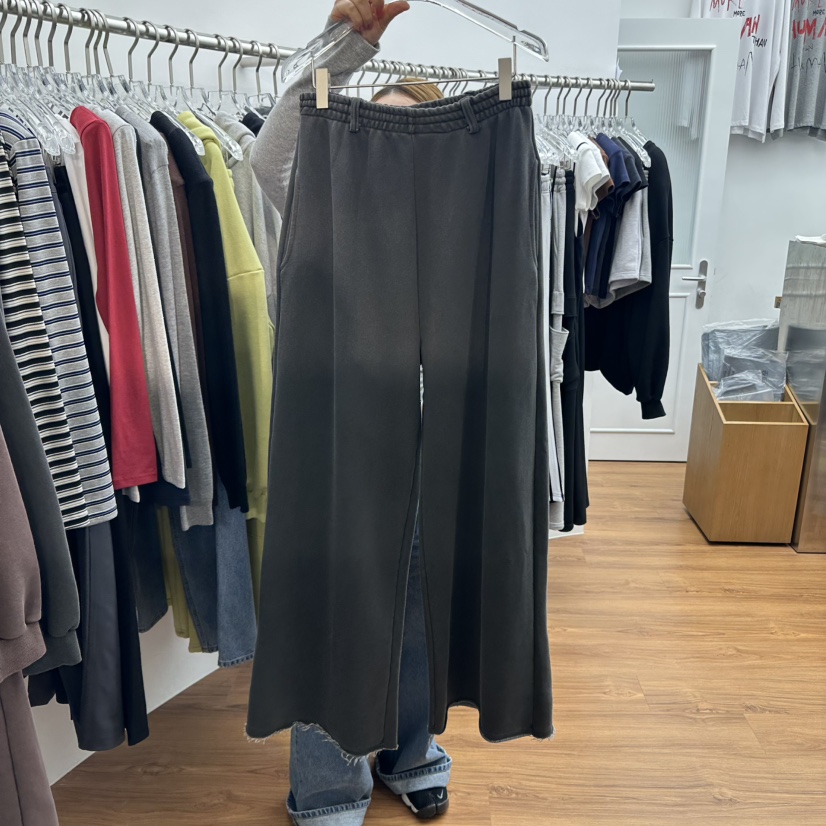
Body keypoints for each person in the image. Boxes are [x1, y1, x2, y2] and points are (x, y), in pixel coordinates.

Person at [251, 2, 453, 823]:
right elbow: (271, 156)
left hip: (433, 447)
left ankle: (412, 753)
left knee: (421, 613)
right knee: (338, 614)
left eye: (411, 138)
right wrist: (350, 47)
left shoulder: (459, 235)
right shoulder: (324, 216)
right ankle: (331, 786)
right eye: (377, 132)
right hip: (342, 451)